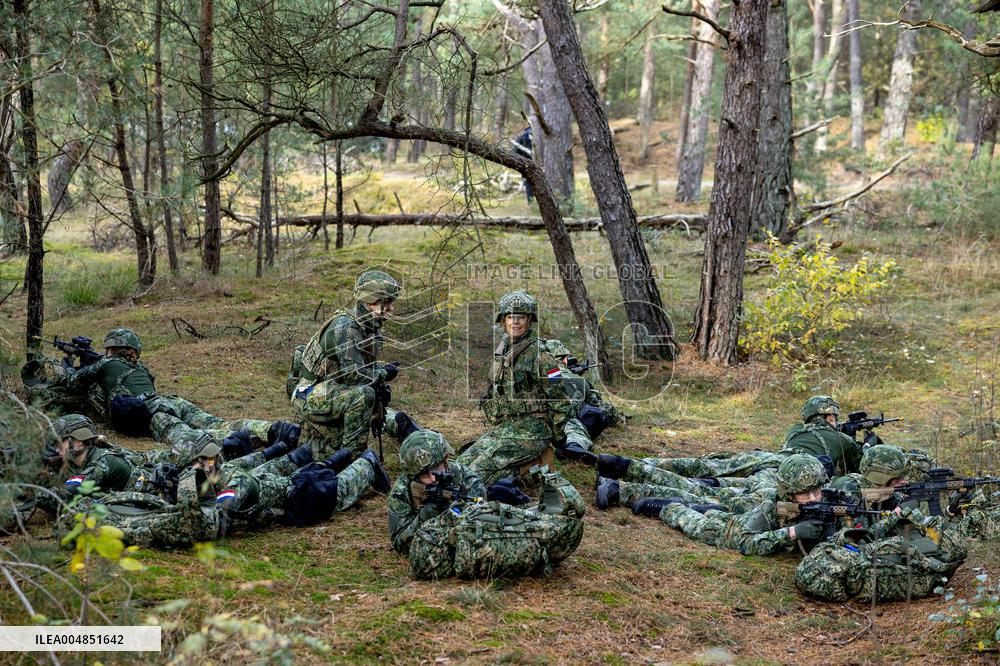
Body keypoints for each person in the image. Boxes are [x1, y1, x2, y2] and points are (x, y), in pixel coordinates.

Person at [66, 432, 390, 548]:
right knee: (317, 469)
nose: (190, 471)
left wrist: (190, 502)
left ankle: (368, 462)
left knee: (342, 491)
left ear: (208, 462)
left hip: (296, 498)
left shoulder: (231, 479)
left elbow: (225, 507)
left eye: (194, 465)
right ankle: (335, 458)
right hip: (278, 495)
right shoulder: (209, 474)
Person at [388, 430, 584, 579]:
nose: (432, 478)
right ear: (412, 474)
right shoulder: (401, 491)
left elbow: (479, 502)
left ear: (445, 460)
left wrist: (456, 507)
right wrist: (425, 516)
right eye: (424, 475)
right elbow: (399, 542)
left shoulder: (460, 473)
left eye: (436, 470)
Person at [455, 291, 581, 486]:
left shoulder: (541, 355)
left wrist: (558, 436)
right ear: (503, 320)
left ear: (529, 320)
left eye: (520, 317)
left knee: (475, 471)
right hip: (509, 428)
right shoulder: (504, 349)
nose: (515, 322)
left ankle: (529, 472)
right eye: (510, 317)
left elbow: (560, 399)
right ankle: (525, 471)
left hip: (535, 430)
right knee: (461, 463)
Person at [595, 395, 863, 486]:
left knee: (708, 464)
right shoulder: (840, 438)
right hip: (791, 472)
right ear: (830, 417)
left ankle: (630, 463)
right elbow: (858, 466)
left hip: (767, 457)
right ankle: (639, 476)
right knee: (725, 486)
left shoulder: (795, 429)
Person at [289, 269, 416, 456]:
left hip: (330, 389)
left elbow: (359, 368)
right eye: (387, 301)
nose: (391, 307)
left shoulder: (368, 326)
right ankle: (353, 456)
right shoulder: (346, 327)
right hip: (307, 393)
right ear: (371, 301)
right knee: (364, 395)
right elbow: (355, 375)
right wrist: (383, 373)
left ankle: (401, 427)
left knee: (375, 391)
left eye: (392, 301)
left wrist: (381, 369)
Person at [630, 454, 833, 556]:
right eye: (805, 494)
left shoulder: (827, 500)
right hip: (736, 530)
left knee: (716, 513)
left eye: (817, 491)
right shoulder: (771, 507)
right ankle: (670, 507)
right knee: (705, 528)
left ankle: (709, 511)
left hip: (743, 519)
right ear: (788, 493)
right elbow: (745, 542)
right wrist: (791, 533)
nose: (814, 498)